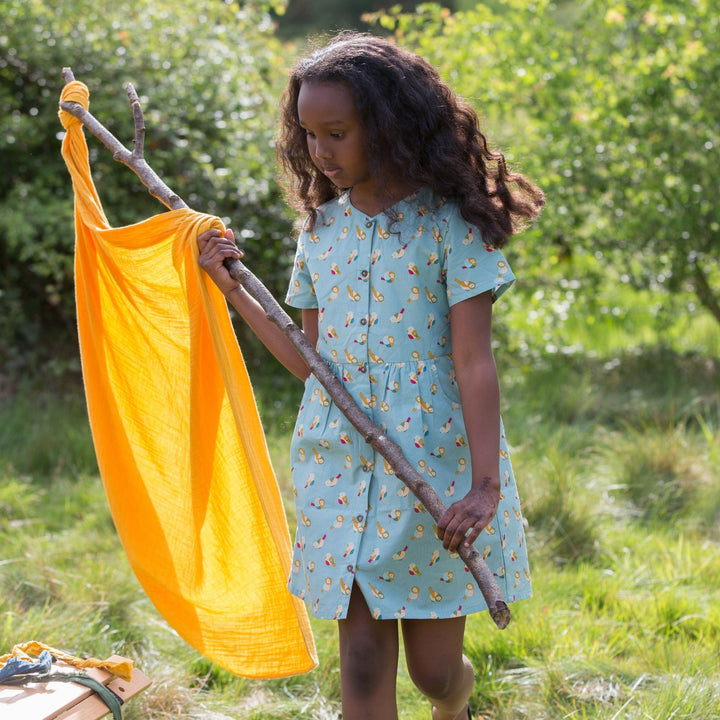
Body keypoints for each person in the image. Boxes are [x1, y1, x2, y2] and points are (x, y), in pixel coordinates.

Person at [197, 31, 543, 720]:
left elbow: (474, 361)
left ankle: (458, 698)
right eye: (309, 135)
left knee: (435, 673)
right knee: (358, 666)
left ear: (388, 128)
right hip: (340, 464)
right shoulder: (320, 231)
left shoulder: (450, 226)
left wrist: (483, 486)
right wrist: (231, 286)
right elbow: (308, 361)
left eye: (337, 133)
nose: (320, 151)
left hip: (433, 470)